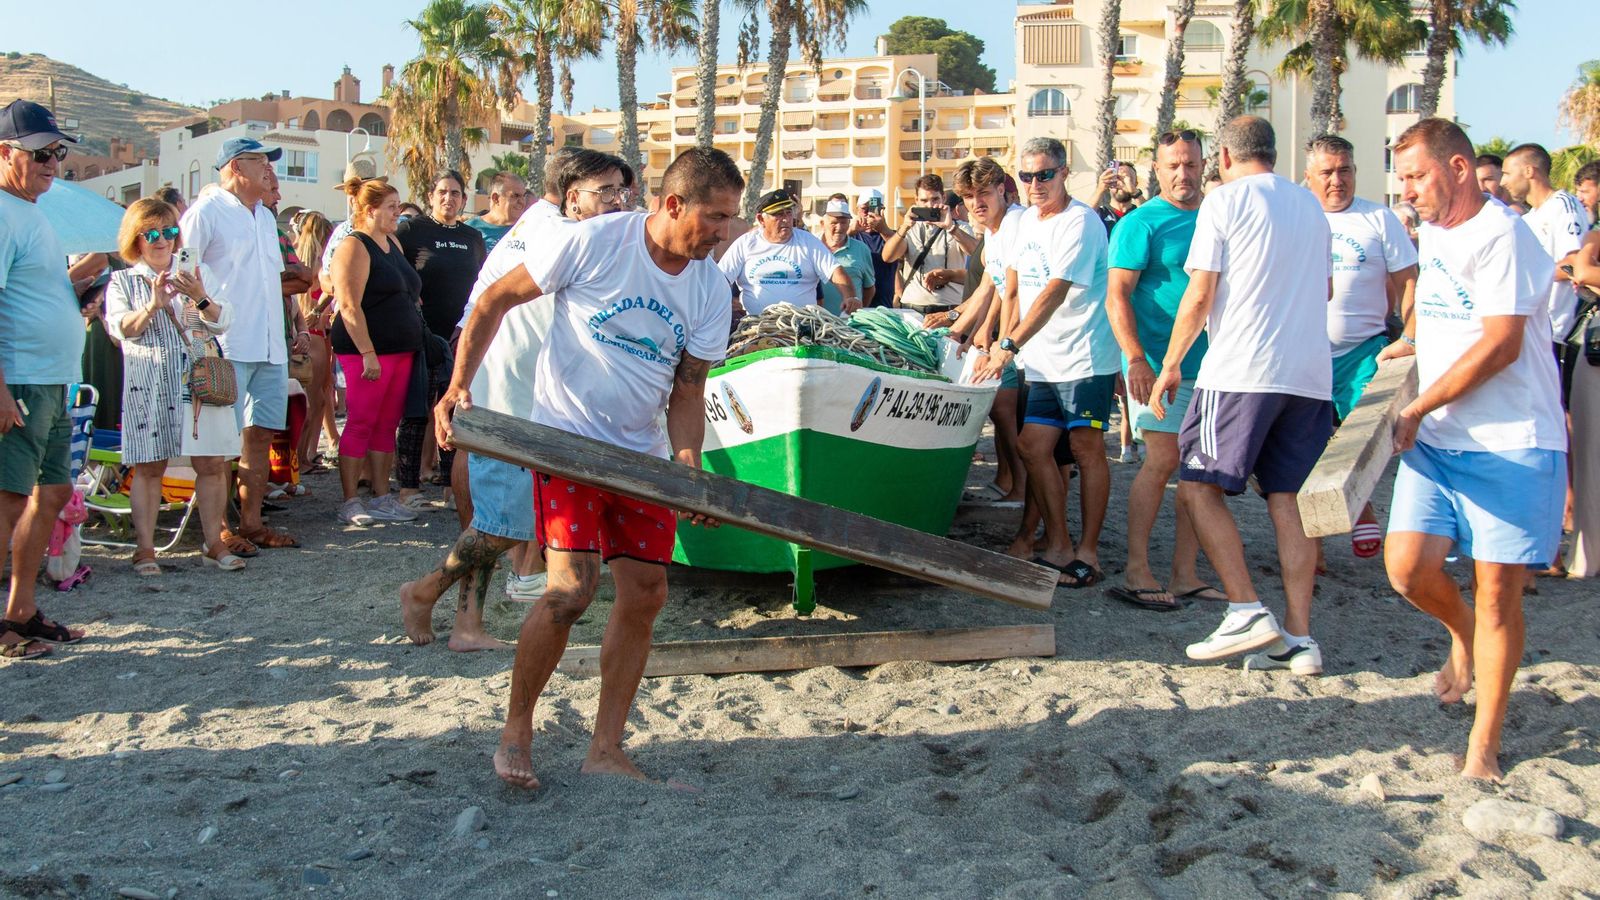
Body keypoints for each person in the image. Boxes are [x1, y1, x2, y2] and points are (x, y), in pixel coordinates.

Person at [426, 147, 741, 790]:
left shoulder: (710, 286)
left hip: (640, 455)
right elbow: (492, 301)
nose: (724, 232)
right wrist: (459, 385)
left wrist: (687, 465)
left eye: (731, 219)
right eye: (715, 217)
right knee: (570, 591)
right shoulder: (596, 242)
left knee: (647, 594)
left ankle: (606, 747)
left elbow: (687, 390)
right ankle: (517, 729)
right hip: (567, 443)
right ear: (673, 203)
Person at [1383, 118, 1567, 781]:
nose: (1406, 191)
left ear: (1458, 168)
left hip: (1511, 442)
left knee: (1498, 598)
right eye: (1401, 178)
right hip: (1441, 440)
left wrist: (1421, 405)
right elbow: (1437, 308)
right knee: (1406, 570)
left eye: (1416, 176)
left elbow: (1501, 343)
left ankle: (1483, 746)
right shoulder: (1434, 230)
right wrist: (1412, 345)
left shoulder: (1505, 236)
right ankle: (1460, 636)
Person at [400, 148, 629, 652]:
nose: (617, 202)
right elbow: (488, 303)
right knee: (502, 524)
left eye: (621, 191)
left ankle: (466, 625)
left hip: (504, 381)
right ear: (573, 197)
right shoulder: (562, 234)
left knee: (493, 518)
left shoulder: (539, 220)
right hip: (508, 391)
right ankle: (423, 591)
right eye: (606, 191)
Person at [1148, 115, 1334, 674]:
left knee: (1199, 486)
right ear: (1273, 153)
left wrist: (1172, 365)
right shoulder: (1310, 207)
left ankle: (1246, 608)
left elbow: (1200, 292)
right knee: (1290, 503)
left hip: (1242, 372)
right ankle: (1300, 640)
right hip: (1309, 375)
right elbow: (1324, 288)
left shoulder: (1224, 203)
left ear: (1223, 159)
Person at [974, 135, 1116, 588]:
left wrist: (1009, 344)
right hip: (1042, 360)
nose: (1036, 183)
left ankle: (1088, 554)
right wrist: (998, 342)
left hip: (1085, 357)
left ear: (1064, 173)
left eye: (1045, 174)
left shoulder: (1082, 222)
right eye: (1027, 176)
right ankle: (1056, 543)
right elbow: (1011, 286)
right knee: (1033, 447)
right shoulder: (1028, 222)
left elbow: (1054, 292)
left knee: (1086, 451)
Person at [1104, 130, 1220, 611]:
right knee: (1163, 460)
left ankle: (1186, 572)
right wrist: (1134, 358)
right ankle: (1136, 567)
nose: (1182, 174)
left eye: (1190, 164)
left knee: (1201, 471)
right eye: (1173, 165)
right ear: (1156, 169)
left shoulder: (1218, 218)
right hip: (1155, 366)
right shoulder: (1140, 223)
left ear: (1203, 165)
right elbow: (1117, 296)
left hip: (1217, 365)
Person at [104, 199, 243, 573]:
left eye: (169, 231)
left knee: (212, 463)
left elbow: (224, 320)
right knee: (150, 466)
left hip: (199, 381)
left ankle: (214, 541)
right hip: (150, 382)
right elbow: (120, 329)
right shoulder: (123, 280)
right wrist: (152, 305)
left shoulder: (198, 273)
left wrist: (198, 294)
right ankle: (145, 548)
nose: (163, 240)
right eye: (152, 233)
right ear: (136, 239)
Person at [179, 137, 299, 552]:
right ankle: (221, 528)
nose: (269, 170)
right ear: (235, 167)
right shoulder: (205, 212)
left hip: (269, 345)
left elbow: (273, 282)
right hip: (226, 342)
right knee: (222, 443)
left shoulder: (265, 216)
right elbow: (182, 271)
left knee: (261, 435)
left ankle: (252, 522)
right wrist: (201, 328)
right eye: (260, 162)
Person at [0, 99, 89, 659]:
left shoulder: (31, 212)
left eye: (58, 151)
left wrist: (78, 284)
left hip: (53, 381)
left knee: (52, 493)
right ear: (6, 153)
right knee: (8, 501)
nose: (53, 162)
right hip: (23, 382)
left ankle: (22, 609)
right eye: (40, 152)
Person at [1305, 134, 1419, 560]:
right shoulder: (1297, 216)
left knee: (1363, 440)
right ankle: (1311, 548)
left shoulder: (1379, 218)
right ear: (1308, 177)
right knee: (1308, 448)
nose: (1338, 180)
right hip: (1304, 351)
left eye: (1345, 170)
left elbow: (1409, 281)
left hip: (1363, 351)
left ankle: (1362, 503)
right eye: (1328, 172)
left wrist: (1409, 337)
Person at [328, 178, 426, 526]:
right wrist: (367, 351)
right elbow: (349, 305)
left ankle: (383, 496)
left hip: (401, 348)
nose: (397, 212)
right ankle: (350, 500)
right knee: (361, 421)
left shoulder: (393, 243)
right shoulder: (354, 247)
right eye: (391, 206)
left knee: (387, 424)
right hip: (367, 351)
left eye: (398, 205)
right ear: (369, 211)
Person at [395, 171, 487, 508]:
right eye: (442, 192)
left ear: (464, 199)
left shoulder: (473, 237)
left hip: (461, 339)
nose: (449, 199)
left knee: (456, 412)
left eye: (456, 193)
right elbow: (393, 270)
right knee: (416, 413)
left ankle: (451, 484)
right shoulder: (412, 230)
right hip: (420, 336)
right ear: (431, 196)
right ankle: (408, 487)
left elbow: (482, 285)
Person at [948, 157, 1026, 507]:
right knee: (1003, 416)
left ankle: (1021, 489)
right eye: (968, 197)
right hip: (1007, 337)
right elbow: (989, 290)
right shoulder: (993, 233)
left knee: (1010, 418)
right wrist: (960, 330)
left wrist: (1001, 345)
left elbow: (1014, 291)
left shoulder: (1015, 225)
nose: (976, 203)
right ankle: (1014, 484)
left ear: (1001, 190)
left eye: (983, 193)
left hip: (1025, 338)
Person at [1501, 143, 1590, 348]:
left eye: (1507, 173)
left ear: (1529, 171)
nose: (1503, 182)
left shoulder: (1564, 205)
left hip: (1558, 331)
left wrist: (1524, 276)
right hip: (1532, 331)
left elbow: (1574, 263)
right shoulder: (1527, 219)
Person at [718, 190, 856, 316]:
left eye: (788, 212)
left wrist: (850, 297)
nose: (786, 219)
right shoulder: (745, 244)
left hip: (801, 329)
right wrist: (726, 302)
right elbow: (719, 279)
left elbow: (836, 273)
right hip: (756, 328)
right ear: (761, 219)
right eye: (778, 214)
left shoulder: (808, 242)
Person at [882, 174, 973, 314]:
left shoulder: (959, 228)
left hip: (949, 310)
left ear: (944, 198)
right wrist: (904, 227)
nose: (930, 205)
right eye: (924, 200)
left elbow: (976, 252)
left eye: (935, 199)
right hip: (912, 309)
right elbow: (888, 257)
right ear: (916, 201)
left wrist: (951, 228)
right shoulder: (909, 229)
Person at [292, 211, 338, 470]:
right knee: (313, 401)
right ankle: (302, 457)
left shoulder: (298, 264)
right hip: (317, 337)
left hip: (307, 335)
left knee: (309, 400)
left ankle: (303, 456)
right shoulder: (322, 269)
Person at [816, 195, 876, 314]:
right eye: (834, 223)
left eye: (843, 222)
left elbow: (869, 288)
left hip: (847, 325)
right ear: (823, 224)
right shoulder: (812, 246)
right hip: (815, 322)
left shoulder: (861, 249)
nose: (839, 228)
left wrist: (856, 311)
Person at [851, 189, 898, 307]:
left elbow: (902, 252)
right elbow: (831, 249)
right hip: (857, 304)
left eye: (874, 209)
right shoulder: (851, 236)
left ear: (882, 211)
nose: (869, 214)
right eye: (864, 209)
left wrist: (883, 229)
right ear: (857, 210)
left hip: (883, 306)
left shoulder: (891, 235)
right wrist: (850, 231)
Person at [468, 171, 529, 252]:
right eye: (515, 196)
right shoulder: (470, 230)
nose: (522, 202)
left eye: (524, 196)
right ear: (495, 198)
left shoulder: (529, 230)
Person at [1092, 161, 1142, 233]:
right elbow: (1083, 215)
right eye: (1117, 178)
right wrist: (1100, 189)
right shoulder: (1101, 213)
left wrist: (1134, 191)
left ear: (1136, 184)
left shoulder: (1139, 212)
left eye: (1128, 178)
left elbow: (1152, 218)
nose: (1121, 183)